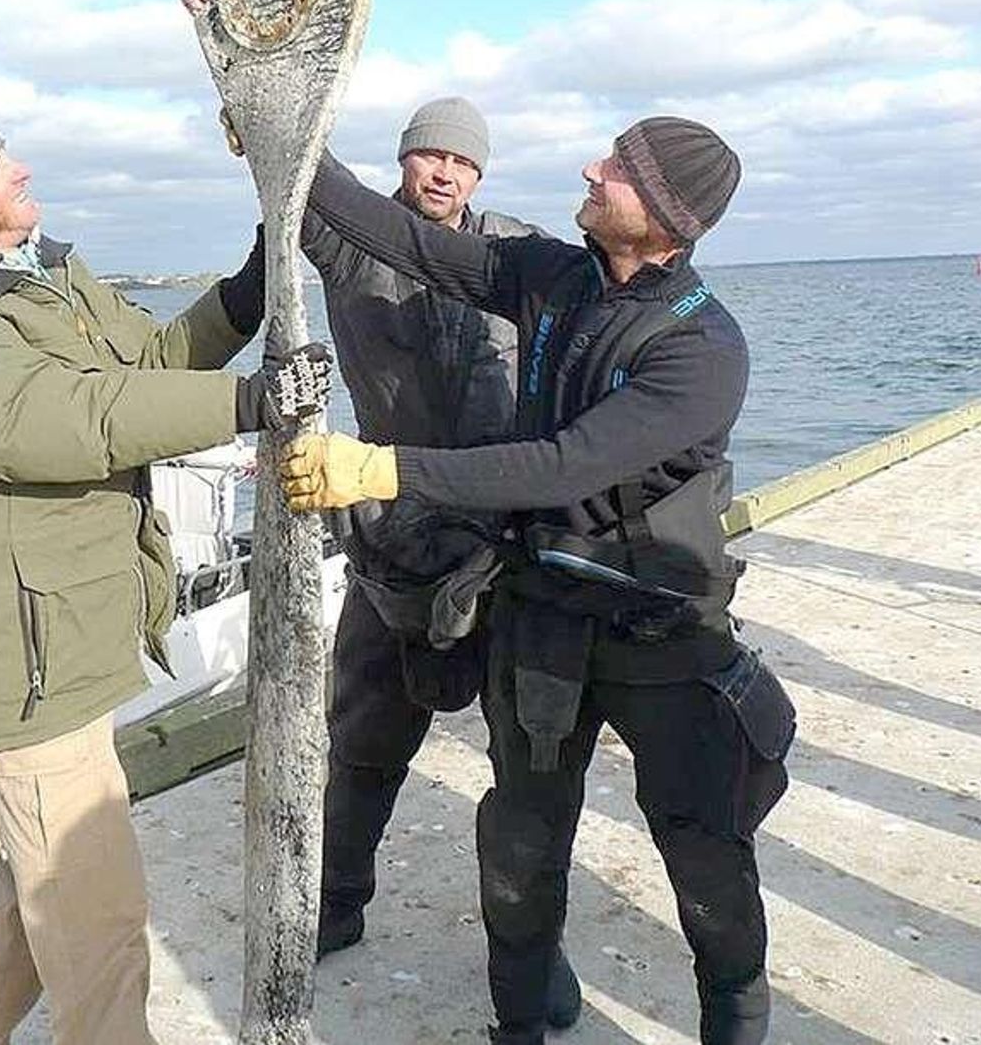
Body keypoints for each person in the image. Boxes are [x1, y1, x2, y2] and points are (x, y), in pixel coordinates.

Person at [280, 119, 795, 1045]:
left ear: (669, 217)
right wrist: (284, 127)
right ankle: (518, 1025)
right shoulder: (553, 273)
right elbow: (403, 240)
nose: (593, 168)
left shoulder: (705, 348)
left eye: (621, 169)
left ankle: (735, 1017)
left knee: (704, 852)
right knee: (519, 844)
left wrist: (383, 467)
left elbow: (564, 465)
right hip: (543, 621)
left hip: (661, 632)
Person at [0, 111, 329, 1045]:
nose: (22, 168)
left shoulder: (43, 276)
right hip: (26, 672)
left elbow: (143, 364)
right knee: (103, 942)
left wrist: (242, 293)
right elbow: (61, 417)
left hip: (71, 644)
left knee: (32, 918)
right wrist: (248, 403)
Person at [180, 0, 580, 1027]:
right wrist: (227, 44)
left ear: (482, 176)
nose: (442, 172)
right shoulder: (357, 250)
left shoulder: (521, 258)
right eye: (425, 154)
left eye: (461, 160)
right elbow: (286, 163)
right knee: (363, 743)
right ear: (403, 164)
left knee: (526, 773)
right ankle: (338, 902)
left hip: (505, 547)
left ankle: (527, 957)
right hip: (393, 537)